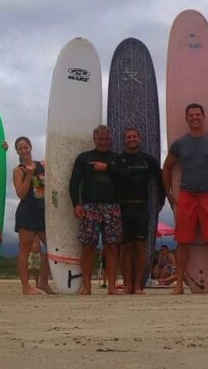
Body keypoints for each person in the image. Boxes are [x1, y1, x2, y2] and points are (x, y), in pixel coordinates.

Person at [162, 103, 208, 294]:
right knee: (182, 241)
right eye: (191, 115)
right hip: (186, 195)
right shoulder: (179, 144)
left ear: (203, 117)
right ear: (186, 119)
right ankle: (179, 284)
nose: (194, 117)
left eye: (197, 114)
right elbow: (167, 167)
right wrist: (169, 193)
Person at [70, 125, 123, 295]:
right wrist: (76, 204)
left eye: (106, 139)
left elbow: (126, 177)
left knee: (113, 247)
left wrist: (107, 167)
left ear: (110, 140)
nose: (103, 142)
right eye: (100, 139)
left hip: (112, 206)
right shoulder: (84, 158)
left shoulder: (116, 158)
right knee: (88, 247)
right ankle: (87, 286)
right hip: (89, 206)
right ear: (94, 139)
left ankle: (112, 286)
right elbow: (74, 182)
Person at [115, 127, 165, 294]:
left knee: (140, 246)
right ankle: (128, 284)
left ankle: (138, 285)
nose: (131, 139)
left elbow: (160, 179)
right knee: (125, 248)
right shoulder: (119, 160)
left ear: (140, 139)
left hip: (142, 206)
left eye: (134, 136)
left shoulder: (148, 160)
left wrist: (161, 199)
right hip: (123, 207)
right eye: (128, 137)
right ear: (124, 140)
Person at [12, 136, 54, 294]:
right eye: (20, 148)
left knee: (51, 247)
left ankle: (43, 281)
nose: (24, 150)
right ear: (17, 151)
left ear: (30, 147)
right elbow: (21, 194)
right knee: (25, 248)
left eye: (26, 147)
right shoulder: (18, 170)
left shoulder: (42, 165)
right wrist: (28, 175)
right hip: (26, 211)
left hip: (42, 211)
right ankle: (26, 287)